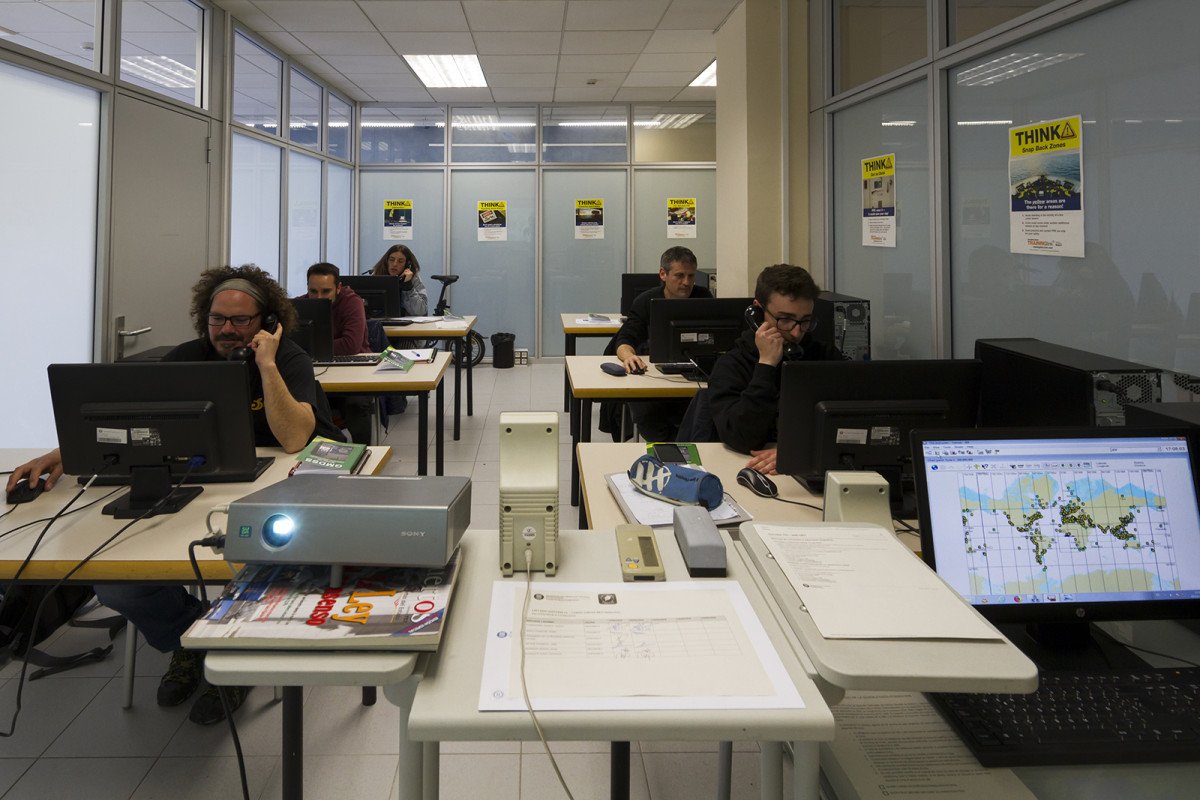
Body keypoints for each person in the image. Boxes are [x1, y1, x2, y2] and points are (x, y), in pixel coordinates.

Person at [7, 264, 342, 725]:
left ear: (266, 321)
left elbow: (294, 439)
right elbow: (123, 418)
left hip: (280, 486)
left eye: (240, 320)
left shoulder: (289, 360)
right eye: (216, 319)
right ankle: (192, 639)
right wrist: (63, 453)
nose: (227, 330)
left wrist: (265, 363)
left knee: (250, 559)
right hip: (197, 487)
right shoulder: (186, 358)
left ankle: (235, 657)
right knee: (113, 582)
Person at [708, 264, 845, 475]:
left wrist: (796, 451)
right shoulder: (733, 365)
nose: (797, 331)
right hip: (749, 469)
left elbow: (849, 423)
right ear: (758, 311)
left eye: (806, 321)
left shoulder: (824, 357)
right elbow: (742, 438)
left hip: (812, 468)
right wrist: (766, 366)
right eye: (786, 319)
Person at [604, 246, 713, 443]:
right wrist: (629, 356)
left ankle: (687, 448)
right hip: (653, 378)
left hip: (693, 374)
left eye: (691, 276)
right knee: (648, 414)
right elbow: (624, 340)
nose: (686, 282)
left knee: (709, 407)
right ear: (663, 274)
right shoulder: (646, 301)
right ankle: (672, 448)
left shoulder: (703, 297)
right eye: (680, 275)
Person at [294, 262, 373, 442]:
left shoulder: (352, 302)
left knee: (356, 404)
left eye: (326, 291)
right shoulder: (300, 304)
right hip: (317, 372)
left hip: (353, 371)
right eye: (313, 291)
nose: (318, 297)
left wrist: (308, 349)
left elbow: (350, 345)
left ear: (338, 288)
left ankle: (364, 453)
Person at [371, 244, 429, 316]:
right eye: (391, 260)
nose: (395, 264)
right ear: (386, 261)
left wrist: (408, 287)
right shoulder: (377, 275)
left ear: (407, 264)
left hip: (407, 325)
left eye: (400, 261)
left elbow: (420, 311)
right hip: (380, 323)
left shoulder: (413, 278)